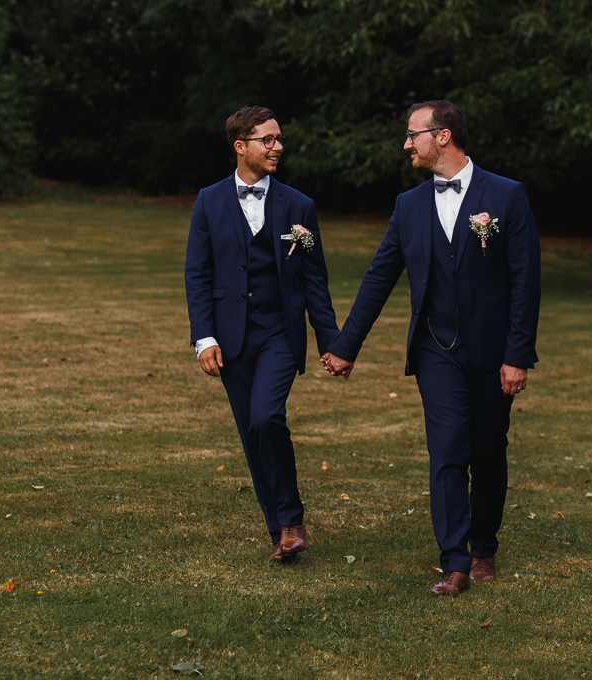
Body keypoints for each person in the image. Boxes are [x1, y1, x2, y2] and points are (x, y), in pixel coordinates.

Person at [322, 100, 540, 596]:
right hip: (434, 350)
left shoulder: (506, 196)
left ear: (442, 136)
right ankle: (455, 561)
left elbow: (526, 281)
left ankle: (484, 545)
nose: (406, 143)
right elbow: (380, 277)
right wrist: (346, 345)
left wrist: (517, 355)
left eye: (412, 134)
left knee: (487, 452)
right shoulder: (409, 205)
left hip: (490, 351)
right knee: (446, 450)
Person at [185, 106, 340, 562]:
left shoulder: (298, 206)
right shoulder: (209, 200)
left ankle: (291, 519)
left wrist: (331, 341)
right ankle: (280, 532)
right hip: (230, 340)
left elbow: (315, 280)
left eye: (278, 139)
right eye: (267, 140)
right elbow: (198, 274)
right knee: (250, 433)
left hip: (279, 332)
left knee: (266, 418)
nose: (277, 147)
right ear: (241, 146)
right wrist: (204, 338)